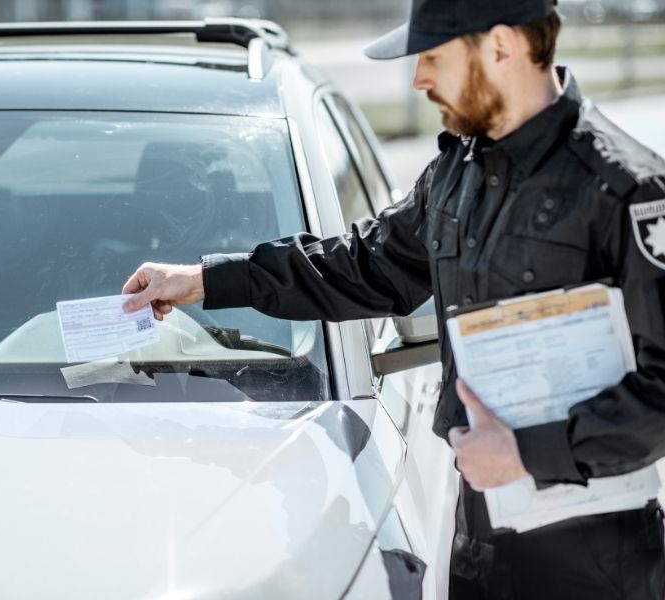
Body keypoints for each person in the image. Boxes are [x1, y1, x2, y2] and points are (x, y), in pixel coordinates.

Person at [121, 0, 665, 597]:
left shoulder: (626, 189)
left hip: (596, 559)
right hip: (479, 541)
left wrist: (528, 452)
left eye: (433, 56)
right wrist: (205, 280)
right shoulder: (456, 171)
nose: (418, 78)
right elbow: (361, 264)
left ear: (503, 47)